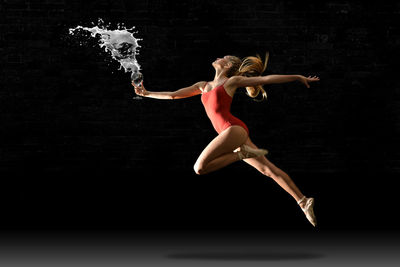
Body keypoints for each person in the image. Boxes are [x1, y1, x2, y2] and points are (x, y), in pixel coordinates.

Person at [132, 53, 320, 227]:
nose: (219, 57)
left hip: (233, 129)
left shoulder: (231, 82)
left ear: (228, 65)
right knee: (267, 169)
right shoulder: (202, 86)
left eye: (223, 57)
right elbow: (174, 95)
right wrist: (147, 93)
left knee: (199, 168)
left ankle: (241, 154)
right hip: (230, 133)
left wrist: (297, 77)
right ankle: (303, 201)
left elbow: (266, 79)